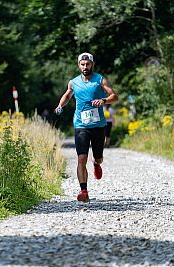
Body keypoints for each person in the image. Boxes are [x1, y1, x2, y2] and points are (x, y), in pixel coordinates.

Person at [55, 52, 118, 202]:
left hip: (98, 126)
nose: (85, 67)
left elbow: (114, 97)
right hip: (81, 125)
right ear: (79, 65)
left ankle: (96, 164)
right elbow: (67, 95)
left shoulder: (100, 80)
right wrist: (59, 105)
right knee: (81, 158)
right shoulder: (73, 82)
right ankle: (84, 190)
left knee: (99, 157)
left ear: (92, 64)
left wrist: (103, 100)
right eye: (82, 64)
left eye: (87, 64)